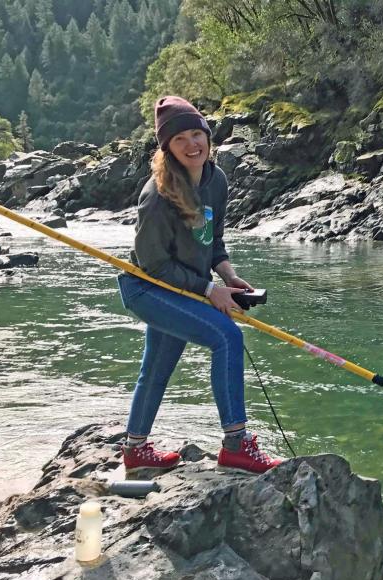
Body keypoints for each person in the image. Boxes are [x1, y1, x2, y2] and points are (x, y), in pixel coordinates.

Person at [117, 95, 282, 474]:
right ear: (167, 148)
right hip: (147, 290)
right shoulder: (156, 197)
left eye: (197, 134)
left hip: (186, 286)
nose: (192, 145)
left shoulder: (216, 179)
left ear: (208, 136)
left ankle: (135, 449)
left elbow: (213, 239)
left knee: (159, 365)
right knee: (227, 337)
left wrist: (227, 275)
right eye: (180, 139)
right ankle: (236, 445)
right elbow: (154, 265)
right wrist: (209, 291)